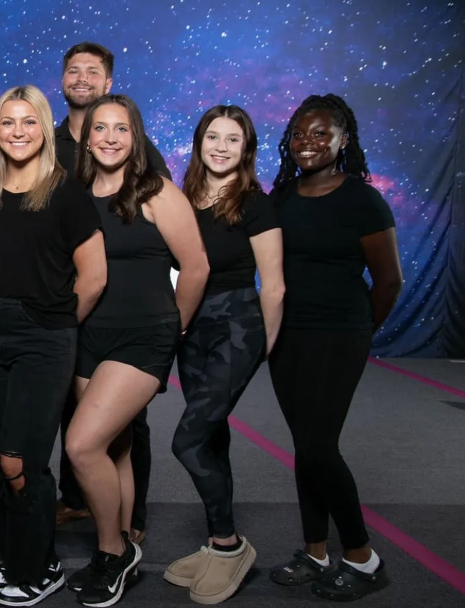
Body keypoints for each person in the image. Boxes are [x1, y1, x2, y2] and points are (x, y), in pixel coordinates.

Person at [65, 94, 209, 607]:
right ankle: (123, 544)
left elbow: (196, 267)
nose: (110, 138)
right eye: (100, 128)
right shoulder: (75, 193)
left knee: (81, 445)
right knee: (114, 447)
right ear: (86, 139)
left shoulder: (157, 191)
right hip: (89, 335)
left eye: (121, 129)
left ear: (136, 136)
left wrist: (174, 329)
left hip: (143, 336)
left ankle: (112, 551)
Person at [0, 86, 107, 606]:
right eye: (8, 122)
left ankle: (41, 566)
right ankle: (18, 559)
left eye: (29, 122)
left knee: (19, 460)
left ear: (44, 129)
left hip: (42, 338)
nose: (18, 132)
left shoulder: (65, 194)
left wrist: (54, 326)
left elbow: (93, 277)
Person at [266, 94, 402, 602]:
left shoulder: (362, 200)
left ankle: (364, 558)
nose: (308, 142)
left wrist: (359, 332)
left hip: (339, 334)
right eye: (299, 133)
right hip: (288, 336)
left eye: (321, 133)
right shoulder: (282, 195)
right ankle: (315, 552)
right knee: (306, 447)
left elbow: (389, 281)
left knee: (319, 446)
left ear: (343, 139)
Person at [164, 105, 284, 604]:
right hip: (192, 328)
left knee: (187, 441)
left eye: (233, 139)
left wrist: (261, 349)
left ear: (247, 149)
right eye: (213, 137)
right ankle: (217, 543)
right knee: (212, 438)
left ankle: (231, 546)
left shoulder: (255, 203)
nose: (221, 147)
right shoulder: (183, 198)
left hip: (237, 326)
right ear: (199, 143)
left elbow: (273, 286)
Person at [52, 42, 167, 537]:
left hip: (134, 324)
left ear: (108, 82)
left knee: (122, 425)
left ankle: (129, 525)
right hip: (79, 313)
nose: (81, 78)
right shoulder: (51, 140)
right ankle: (80, 500)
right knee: (79, 418)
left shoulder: (139, 152)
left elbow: (185, 257)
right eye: (73, 70)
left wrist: (171, 323)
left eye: (92, 71)